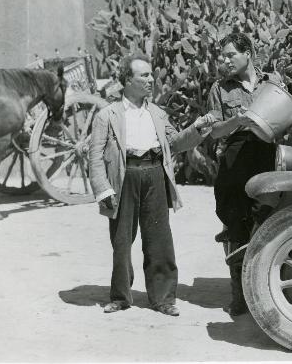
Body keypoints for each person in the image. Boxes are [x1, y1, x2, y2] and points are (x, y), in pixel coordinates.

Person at [89, 53, 215, 316]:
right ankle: (121, 296)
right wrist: (103, 189)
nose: (150, 80)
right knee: (121, 240)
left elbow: (176, 143)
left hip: (155, 175)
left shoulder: (157, 113)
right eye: (143, 75)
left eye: (150, 74)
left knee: (159, 240)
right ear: (127, 80)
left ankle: (164, 299)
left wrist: (197, 128)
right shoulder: (107, 115)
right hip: (124, 178)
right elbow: (95, 156)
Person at [207, 32, 281, 316]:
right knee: (235, 227)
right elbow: (214, 132)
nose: (225, 61)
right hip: (234, 160)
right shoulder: (220, 89)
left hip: (268, 157)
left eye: (230, 55)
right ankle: (239, 296)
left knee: (269, 223)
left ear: (247, 53)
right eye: (222, 56)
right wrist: (237, 121)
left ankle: (265, 292)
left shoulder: (272, 83)